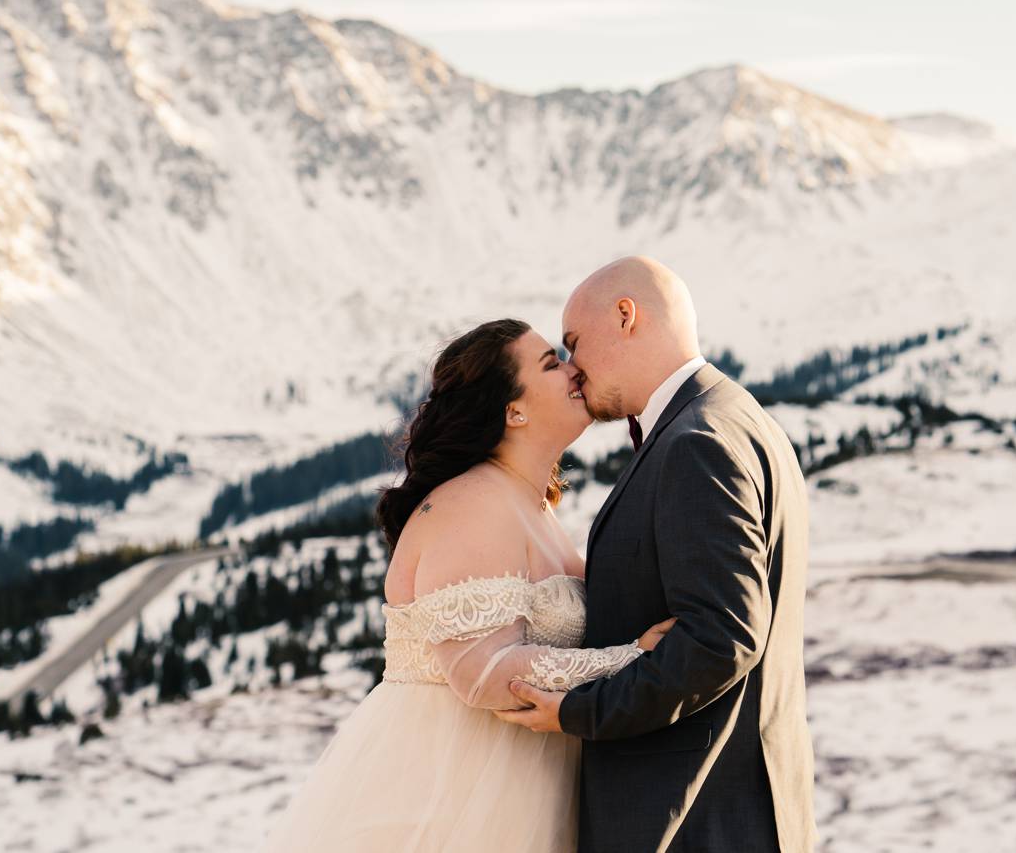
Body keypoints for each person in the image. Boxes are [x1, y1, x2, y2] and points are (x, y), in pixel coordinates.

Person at [258, 317, 675, 853]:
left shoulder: (531, 506)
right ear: (513, 410)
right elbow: (485, 674)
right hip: (452, 790)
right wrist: (633, 661)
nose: (576, 371)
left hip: (524, 785)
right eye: (552, 364)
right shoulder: (471, 504)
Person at [494, 256, 818, 852]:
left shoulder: (698, 442)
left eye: (573, 344)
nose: (572, 370)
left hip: (695, 817)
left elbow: (722, 638)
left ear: (626, 315)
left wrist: (577, 711)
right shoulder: (735, 419)